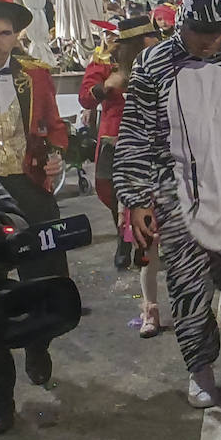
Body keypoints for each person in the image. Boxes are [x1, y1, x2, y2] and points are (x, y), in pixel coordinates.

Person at [115, 0, 221, 407]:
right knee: (190, 291)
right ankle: (200, 371)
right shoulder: (152, 65)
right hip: (178, 198)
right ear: (182, 24)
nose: (208, 42)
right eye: (199, 34)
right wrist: (135, 198)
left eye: (217, 35)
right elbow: (134, 134)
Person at [0, 0, 69, 422]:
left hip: (29, 190)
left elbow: (54, 127)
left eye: (4, 34)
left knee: (43, 279)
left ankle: (37, 341)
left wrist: (54, 154)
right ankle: (1, 402)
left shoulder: (36, 76)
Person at [80, 16, 159, 272]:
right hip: (113, 141)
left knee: (147, 195)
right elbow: (86, 99)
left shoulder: (159, 63)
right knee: (115, 196)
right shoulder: (104, 64)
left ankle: (143, 243)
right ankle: (124, 242)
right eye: (146, 42)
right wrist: (106, 86)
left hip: (151, 140)